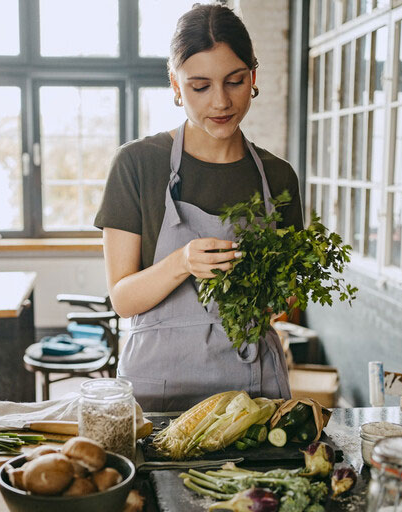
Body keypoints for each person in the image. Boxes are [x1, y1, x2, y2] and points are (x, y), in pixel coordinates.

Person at [94, 4, 303, 412]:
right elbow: (122, 299)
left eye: (235, 81)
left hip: (252, 387)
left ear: (253, 77)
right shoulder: (137, 164)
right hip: (158, 389)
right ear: (175, 85)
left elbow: (286, 301)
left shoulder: (277, 178)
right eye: (200, 86)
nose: (221, 102)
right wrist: (182, 263)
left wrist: (278, 295)